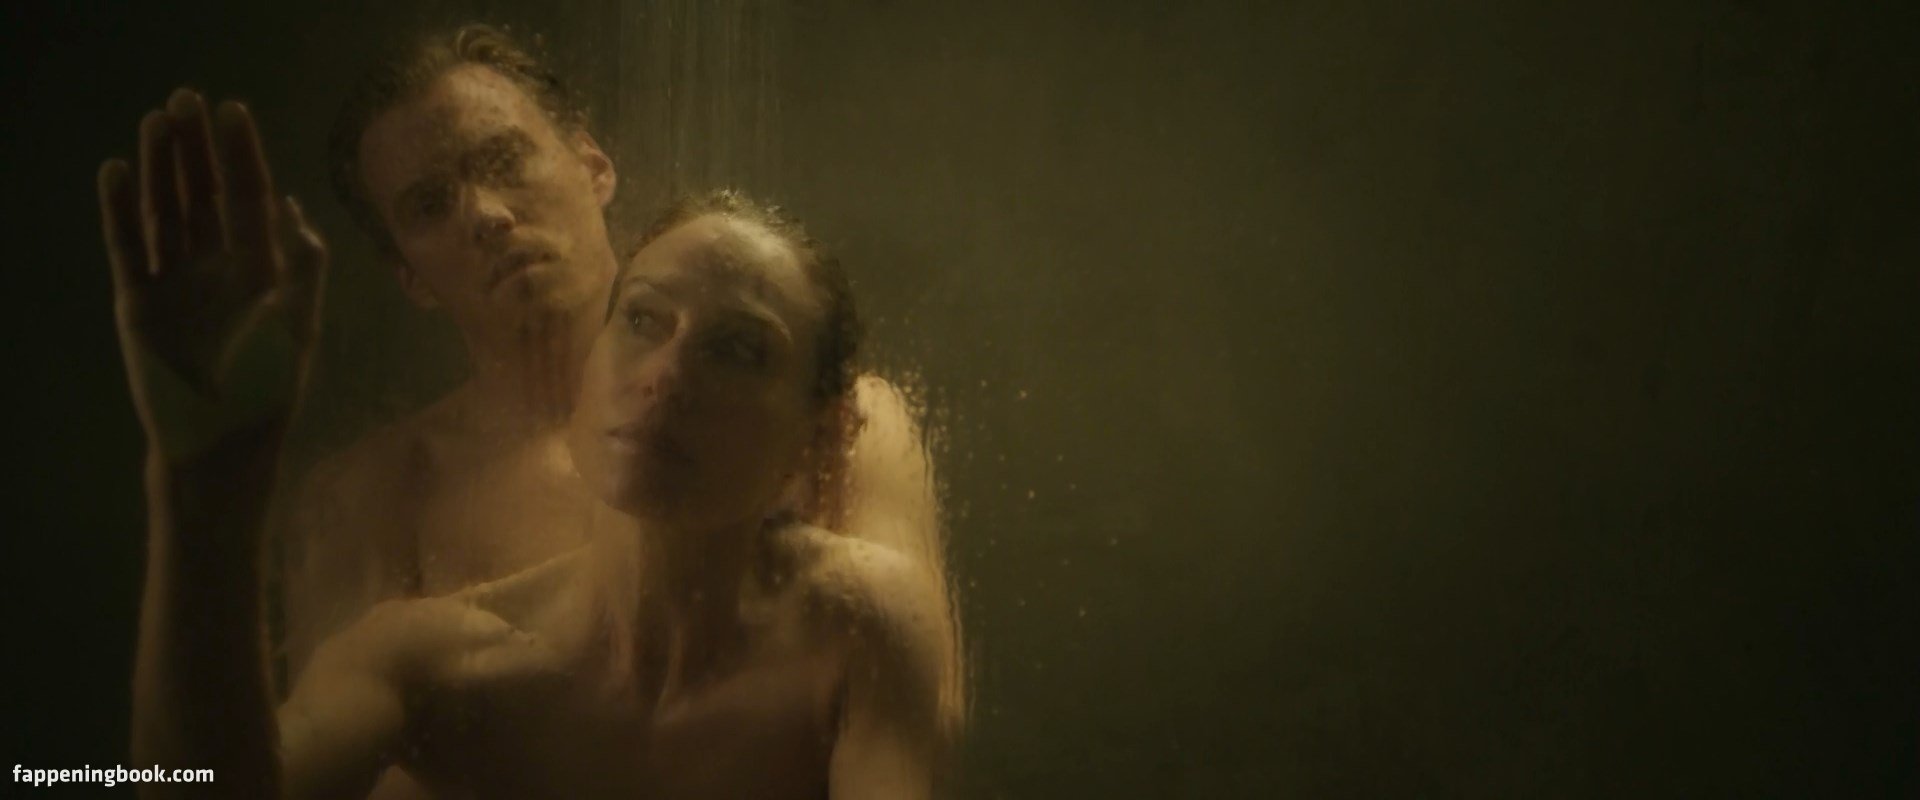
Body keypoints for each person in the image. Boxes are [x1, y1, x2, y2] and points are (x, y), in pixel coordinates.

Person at [103, 83, 958, 796]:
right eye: (644, 322)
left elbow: (921, 716)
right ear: (584, 383)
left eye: (736, 349)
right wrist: (201, 485)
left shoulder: (861, 615)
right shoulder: (429, 652)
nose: (668, 375)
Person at [278, 23, 953, 726]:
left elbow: (919, 706)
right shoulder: (373, 497)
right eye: (429, 204)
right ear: (409, 275)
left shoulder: (836, 421)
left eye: (504, 159)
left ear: (593, 167)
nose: (486, 214)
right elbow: (317, 765)